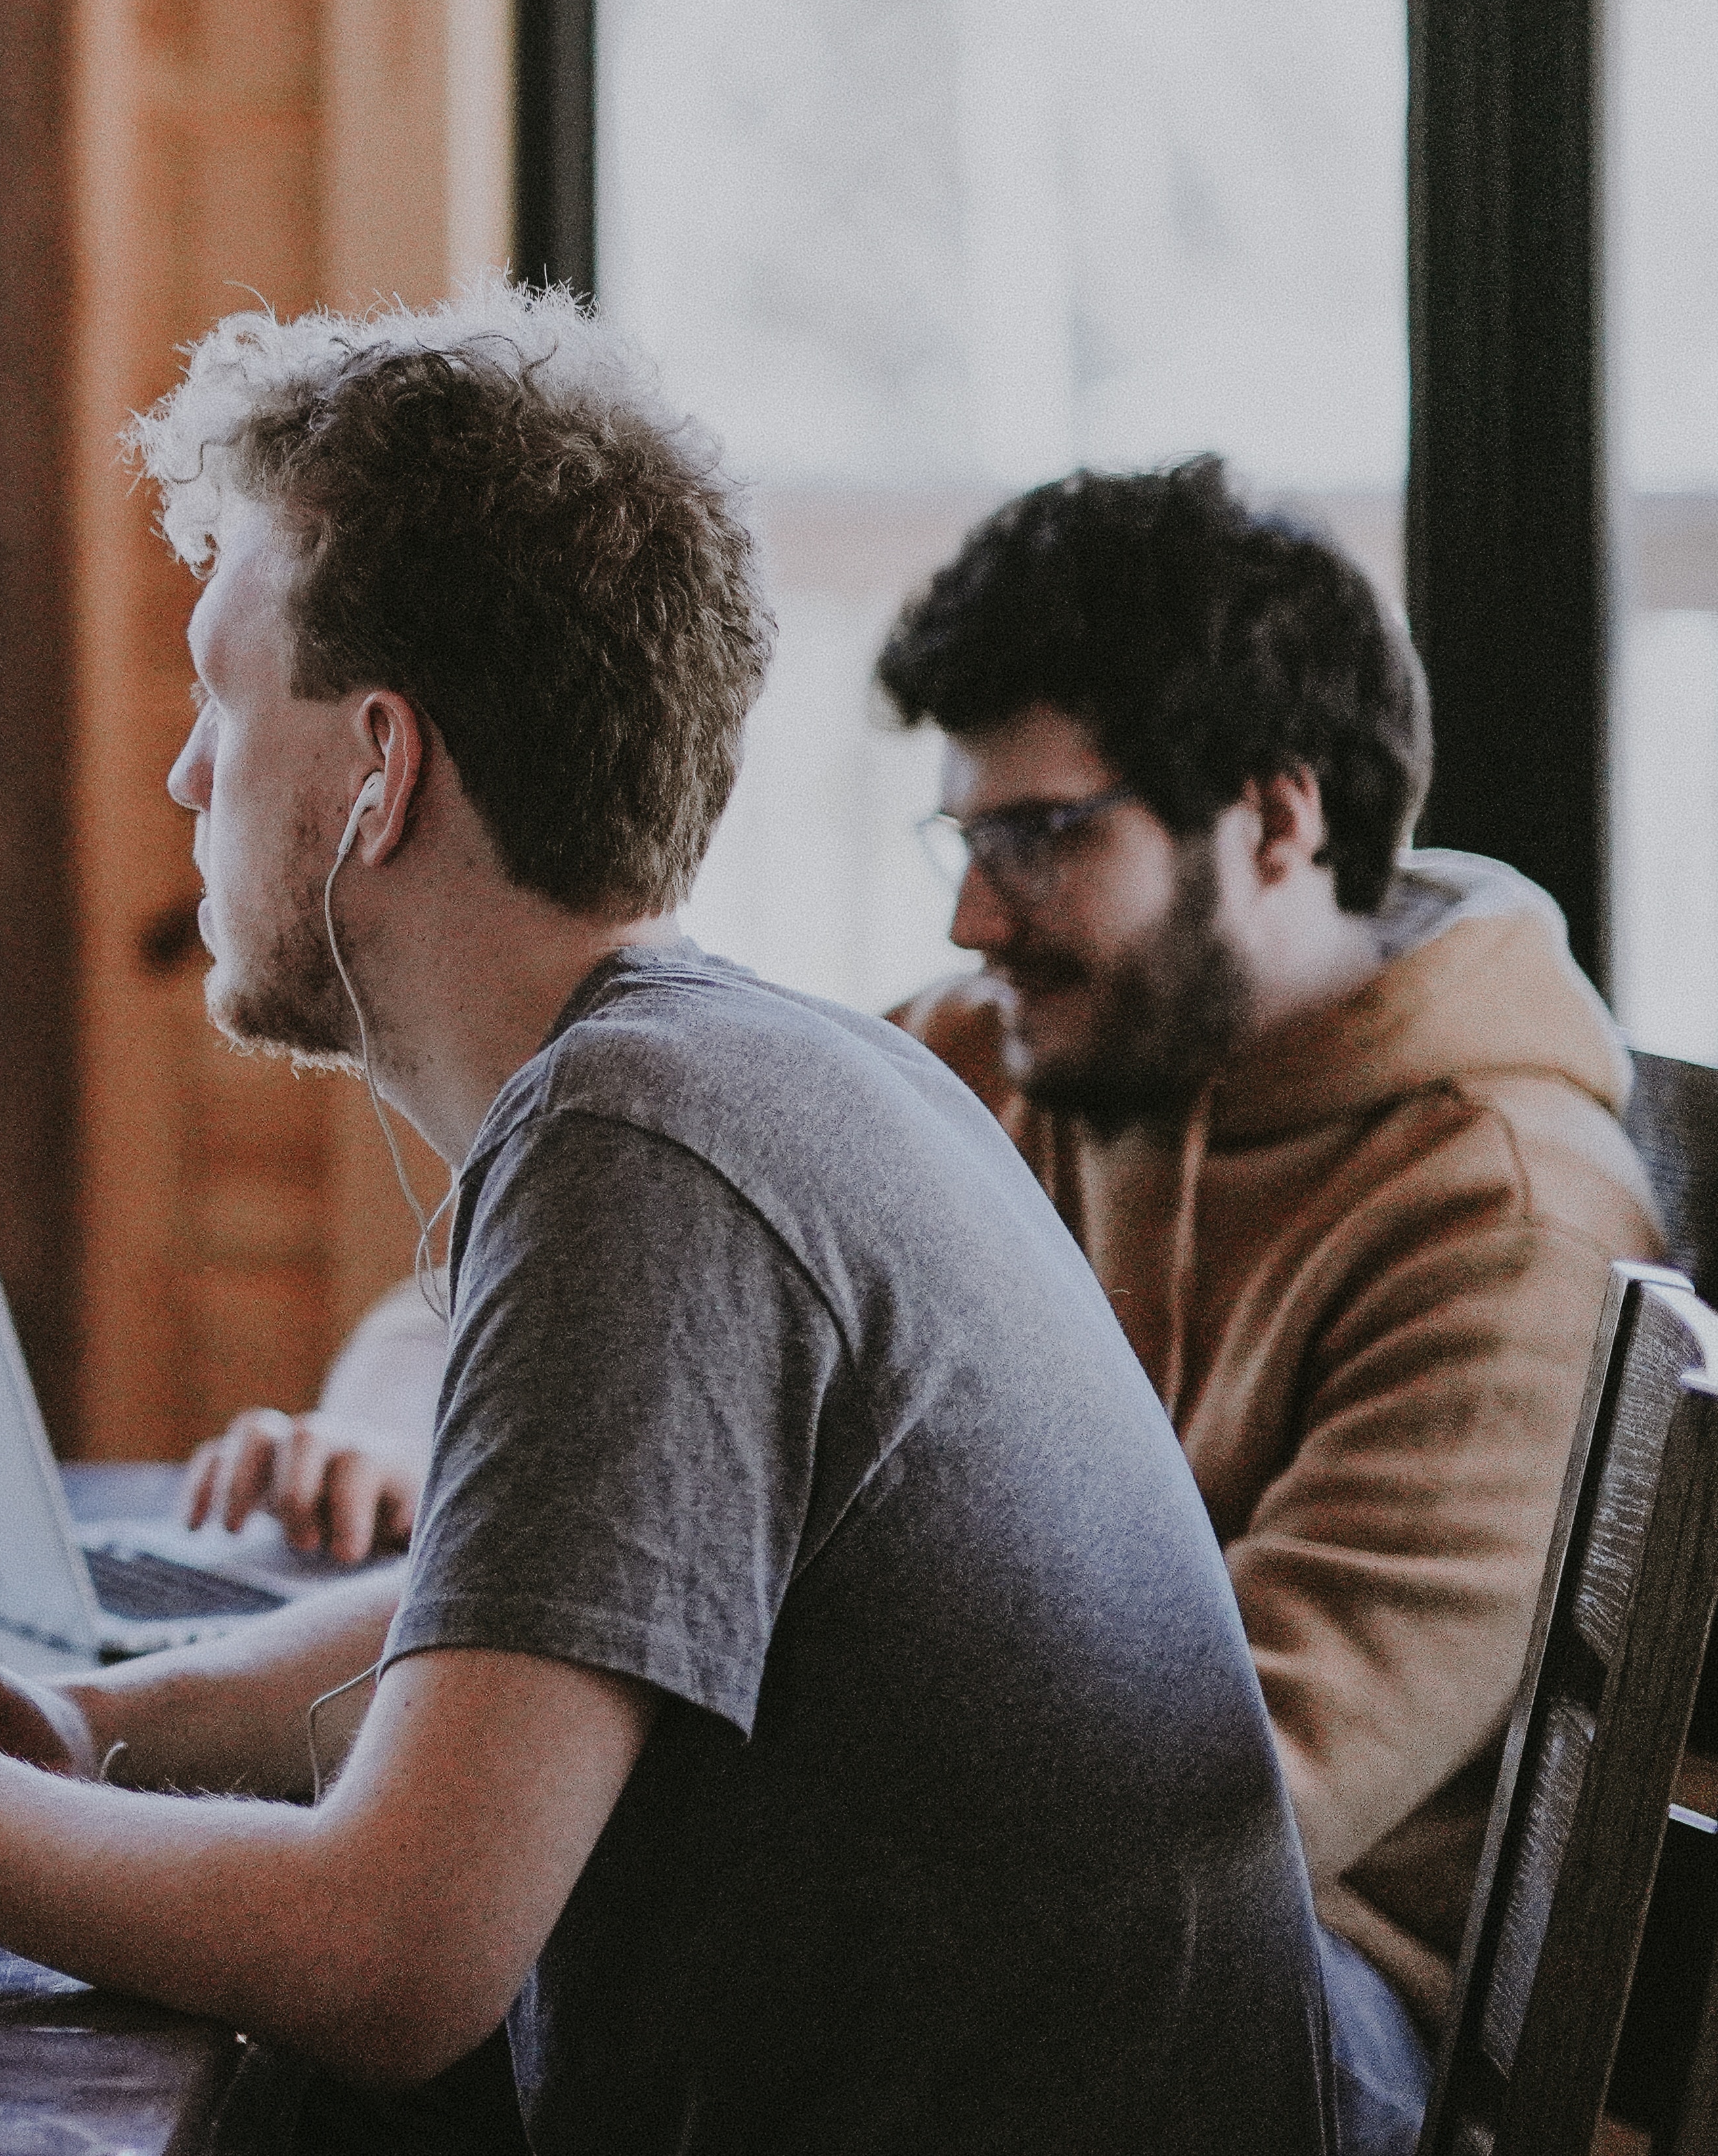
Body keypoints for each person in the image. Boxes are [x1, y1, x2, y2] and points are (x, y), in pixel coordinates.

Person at [0, 288, 1331, 2152]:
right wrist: (85, 1718)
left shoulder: (637, 1138)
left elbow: (393, 1948)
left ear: (378, 767)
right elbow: (529, 1604)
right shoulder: (760, 1072)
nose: (184, 770)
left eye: (219, 694)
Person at [176, 458, 1647, 2133]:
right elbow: (583, 1280)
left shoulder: (1507, 1216)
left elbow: (1219, 1797)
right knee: (329, 2003)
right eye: (961, 832)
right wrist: (379, 1433)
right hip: (989, 1909)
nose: (968, 910)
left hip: (1294, 2012)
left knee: (400, 1974)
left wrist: (522, 1750)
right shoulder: (992, 1049)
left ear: (1276, 816)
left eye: (1039, 835)